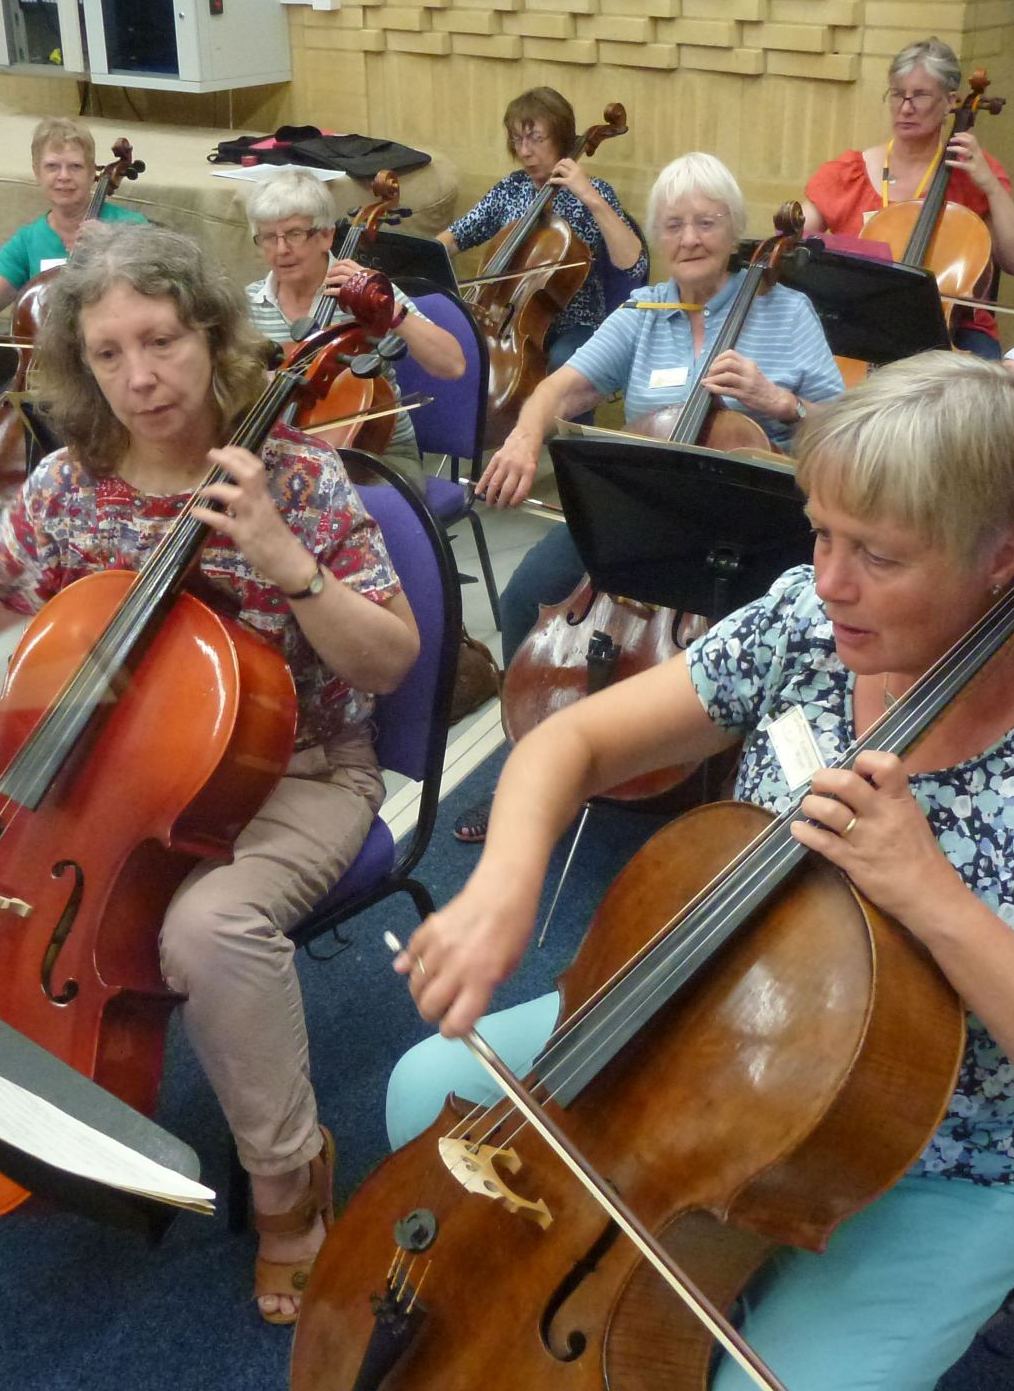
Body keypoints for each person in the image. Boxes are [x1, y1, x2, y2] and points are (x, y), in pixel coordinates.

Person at [386, 350, 1014, 1391]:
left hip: (930, 1146)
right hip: (713, 1021)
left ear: (999, 557)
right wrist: (504, 882)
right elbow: (572, 743)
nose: (831, 579)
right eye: (819, 529)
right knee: (428, 1095)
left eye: (881, 556)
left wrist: (930, 891)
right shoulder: (806, 624)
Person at [0, 222, 420, 1325]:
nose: (139, 377)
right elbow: (11, 615)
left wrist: (290, 563)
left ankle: (290, 1182)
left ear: (212, 336)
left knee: (205, 930)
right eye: (107, 353)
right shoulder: (62, 489)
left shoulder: (300, 477)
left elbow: (391, 657)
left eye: (163, 341)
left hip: (301, 772)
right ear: (76, 365)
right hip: (103, 782)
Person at [451, 151, 843, 843]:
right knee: (523, 597)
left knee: (767, 640)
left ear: (735, 231)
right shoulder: (645, 309)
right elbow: (560, 387)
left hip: (749, 526)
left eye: (707, 222)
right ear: (658, 235)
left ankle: (730, 793)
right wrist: (522, 439)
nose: (690, 237)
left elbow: (845, 430)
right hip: (640, 516)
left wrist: (780, 401)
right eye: (674, 224)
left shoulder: (789, 310)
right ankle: (533, 770)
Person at [245, 167, 465, 495]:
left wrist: (389, 309)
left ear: (326, 235)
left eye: (293, 234)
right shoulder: (249, 304)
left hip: (375, 461)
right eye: (267, 237)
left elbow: (452, 364)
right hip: (280, 459)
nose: (280, 250)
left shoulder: (367, 293)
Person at [802, 36, 1014, 358]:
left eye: (920, 96)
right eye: (898, 94)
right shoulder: (849, 173)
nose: (905, 107)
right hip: (859, 323)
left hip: (953, 332)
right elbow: (796, 233)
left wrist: (991, 186)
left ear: (950, 101)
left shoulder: (973, 174)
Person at [436, 86, 647, 372]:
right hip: (506, 322)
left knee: (564, 364)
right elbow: (454, 237)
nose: (524, 151)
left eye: (536, 139)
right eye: (517, 140)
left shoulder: (594, 191)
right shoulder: (511, 189)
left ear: (560, 138)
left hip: (575, 325)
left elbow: (633, 264)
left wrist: (590, 197)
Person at [0, 117, 147, 311]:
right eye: (52, 166)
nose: (64, 177)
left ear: (91, 172)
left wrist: (114, 245)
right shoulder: (27, 242)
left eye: (75, 166)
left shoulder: (132, 226)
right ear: (37, 173)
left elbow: (160, 290)